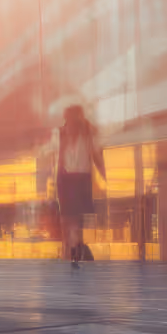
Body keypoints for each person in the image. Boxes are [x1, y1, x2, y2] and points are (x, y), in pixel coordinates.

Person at [56, 104, 106, 268]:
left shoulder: (88, 134)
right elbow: (59, 159)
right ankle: (71, 253)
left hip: (80, 179)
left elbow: (96, 154)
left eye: (70, 118)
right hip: (67, 179)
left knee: (75, 222)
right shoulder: (62, 134)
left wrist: (104, 174)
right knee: (69, 222)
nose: (68, 122)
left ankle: (74, 254)